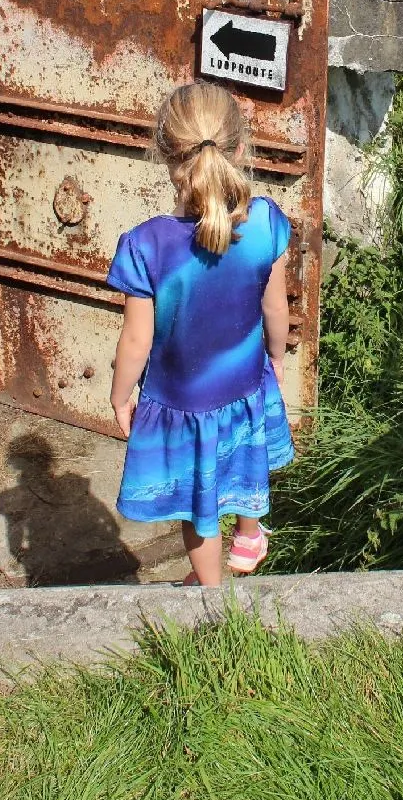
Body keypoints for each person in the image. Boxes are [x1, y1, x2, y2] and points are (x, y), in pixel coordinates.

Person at [107, 81, 294, 586]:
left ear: (167, 157)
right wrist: (276, 356)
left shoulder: (146, 246)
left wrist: (121, 395)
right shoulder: (266, 225)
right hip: (244, 383)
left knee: (200, 504)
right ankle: (250, 535)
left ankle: (211, 596)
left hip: (184, 403)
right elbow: (276, 307)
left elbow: (136, 342)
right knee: (245, 458)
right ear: (238, 149)